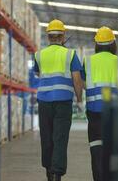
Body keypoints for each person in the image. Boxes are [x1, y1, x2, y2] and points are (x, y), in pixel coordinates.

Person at [34, 19, 83, 181]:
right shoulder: (70, 54)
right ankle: (56, 174)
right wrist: (79, 100)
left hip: (44, 102)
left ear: (48, 37)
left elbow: (38, 74)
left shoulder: (39, 55)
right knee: (60, 138)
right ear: (63, 36)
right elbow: (77, 79)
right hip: (63, 102)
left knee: (46, 137)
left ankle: (49, 171)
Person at [81, 26, 118, 181]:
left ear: (96, 44)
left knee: (97, 151)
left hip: (95, 113)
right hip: (117, 114)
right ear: (113, 44)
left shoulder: (87, 62)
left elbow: (82, 83)